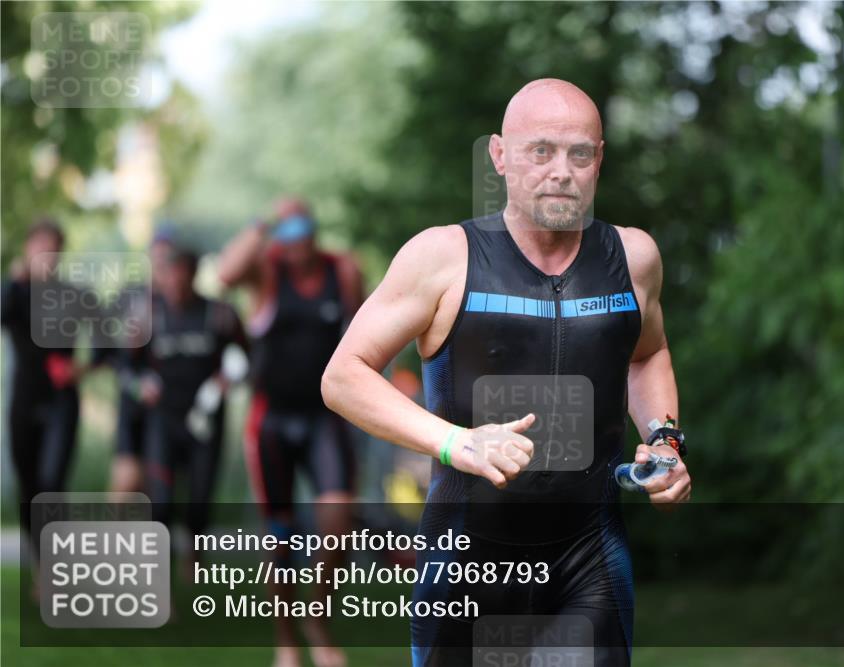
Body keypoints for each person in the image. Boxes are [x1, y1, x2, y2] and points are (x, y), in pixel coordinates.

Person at [321, 79, 691, 666]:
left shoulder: (633, 258)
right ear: (500, 155)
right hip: (466, 561)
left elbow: (646, 355)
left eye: (579, 154)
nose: (561, 172)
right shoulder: (443, 257)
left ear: (599, 160)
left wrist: (664, 440)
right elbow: (344, 376)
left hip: (588, 561)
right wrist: (456, 442)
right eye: (540, 150)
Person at [218, 197, 366, 667]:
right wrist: (262, 221)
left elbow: (367, 332)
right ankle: (286, 640)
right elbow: (225, 274)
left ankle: (316, 618)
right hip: (271, 420)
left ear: (314, 230)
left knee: (338, 520)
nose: (295, 239)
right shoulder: (267, 271)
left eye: (301, 226)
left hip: (325, 415)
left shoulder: (342, 271)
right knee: (279, 535)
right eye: (287, 230)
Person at [123, 246, 247, 574]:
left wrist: (228, 378)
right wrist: (140, 386)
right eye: (170, 279)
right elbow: (125, 369)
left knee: (200, 498)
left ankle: (193, 556)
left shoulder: (219, 314)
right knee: (161, 500)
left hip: (205, 421)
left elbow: (247, 357)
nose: (175, 286)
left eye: (182, 279)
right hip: (163, 420)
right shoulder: (146, 317)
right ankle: (158, 571)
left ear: (193, 277)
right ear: (162, 278)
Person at [1, 218, 87, 558]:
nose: (46, 257)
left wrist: (83, 367)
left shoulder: (72, 295)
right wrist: (14, 280)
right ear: (28, 249)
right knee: (29, 487)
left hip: (61, 401)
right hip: (24, 399)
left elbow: (108, 340)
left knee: (52, 483)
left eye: (53, 250)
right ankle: (40, 557)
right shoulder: (15, 293)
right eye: (40, 248)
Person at [109, 224, 177, 495]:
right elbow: (108, 345)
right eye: (157, 252)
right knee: (126, 479)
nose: (161, 259)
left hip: (169, 404)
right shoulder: (131, 295)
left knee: (156, 486)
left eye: (167, 254)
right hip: (133, 400)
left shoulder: (181, 299)